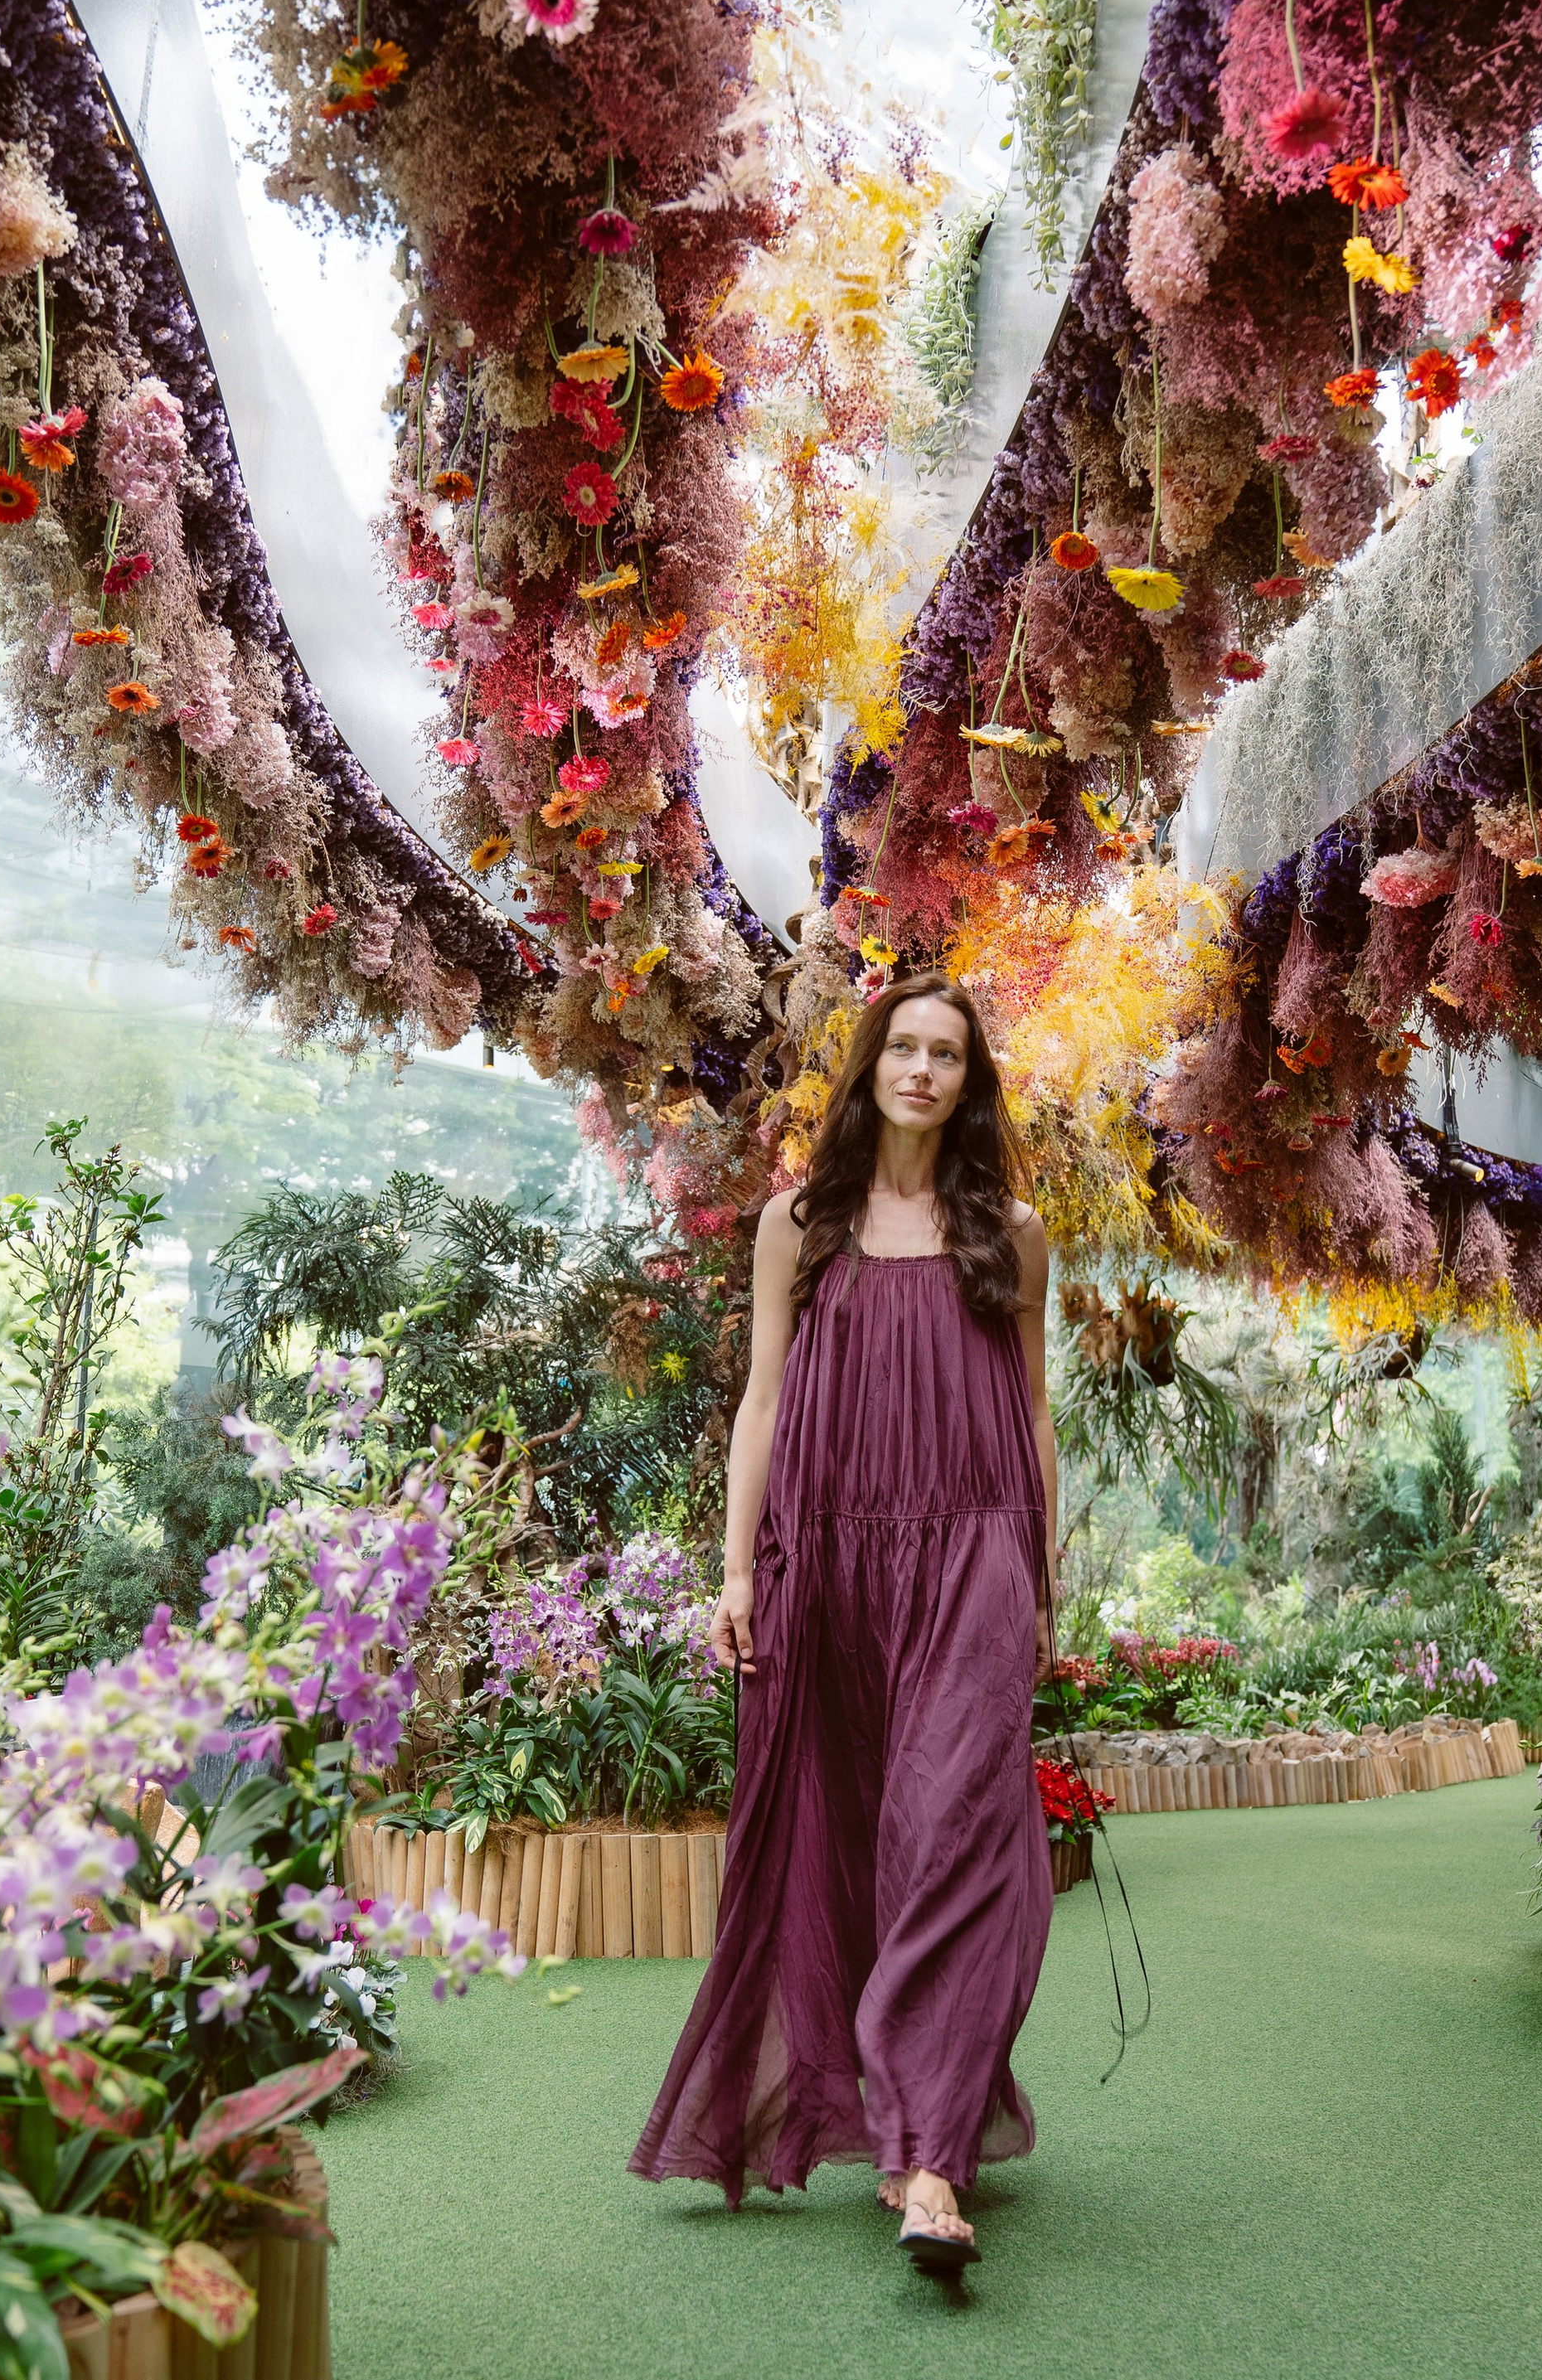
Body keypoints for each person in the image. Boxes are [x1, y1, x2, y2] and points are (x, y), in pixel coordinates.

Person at [629, 972, 1057, 2275]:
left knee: (950, 1833)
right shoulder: (799, 1224)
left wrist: (1048, 1578)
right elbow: (760, 1403)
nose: (923, 1070)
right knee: (853, 1823)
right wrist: (737, 1571)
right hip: (828, 1554)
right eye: (906, 1048)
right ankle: (894, 2119)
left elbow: (1037, 1416)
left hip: (978, 1548)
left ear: (972, 1084)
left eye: (948, 1054)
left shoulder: (1017, 1234)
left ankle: (932, 2163)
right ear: (873, 1066)